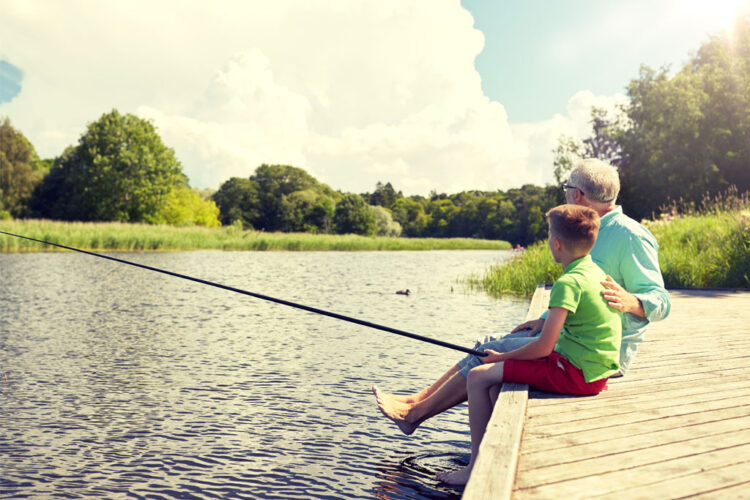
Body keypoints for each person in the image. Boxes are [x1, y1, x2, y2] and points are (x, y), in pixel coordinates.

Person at [372, 158, 670, 436]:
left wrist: (631, 302)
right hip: (570, 339)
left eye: (567, 189)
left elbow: (662, 302)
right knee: (486, 342)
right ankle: (416, 402)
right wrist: (542, 320)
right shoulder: (587, 229)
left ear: (577, 195)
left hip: (595, 355)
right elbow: (580, 295)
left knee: (494, 349)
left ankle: (414, 415)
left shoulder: (630, 236)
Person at [435, 204, 621, 485]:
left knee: (477, 376)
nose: (548, 240)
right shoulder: (596, 273)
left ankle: (474, 467)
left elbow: (543, 348)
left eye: (548, 234)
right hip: (594, 371)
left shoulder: (568, 283)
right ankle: (490, 451)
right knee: (496, 384)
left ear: (556, 244)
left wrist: (500, 357)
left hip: (576, 374)